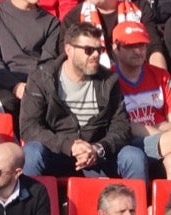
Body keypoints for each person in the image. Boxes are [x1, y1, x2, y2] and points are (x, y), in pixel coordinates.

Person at [19, 21, 139, 180]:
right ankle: (28, 204)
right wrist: (70, 146)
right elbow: (29, 128)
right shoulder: (42, 78)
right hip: (55, 153)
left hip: (95, 155)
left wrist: (98, 149)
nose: (96, 55)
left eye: (99, 50)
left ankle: (137, 204)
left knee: (133, 157)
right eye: (89, 50)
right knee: (32, 152)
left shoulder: (109, 81)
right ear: (69, 49)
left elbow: (121, 127)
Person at [111, 21, 171, 178]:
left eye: (142, 45)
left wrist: (154, 131)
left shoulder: (161, 76)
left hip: (158, 141)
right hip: (128, 144)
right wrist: (161, 129)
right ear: (116, 49)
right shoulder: (109, 80)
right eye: (131, 46)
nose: (138, 51)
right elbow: (124, 126)